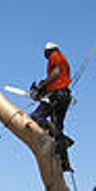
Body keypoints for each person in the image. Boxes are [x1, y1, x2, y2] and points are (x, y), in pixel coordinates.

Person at [30, 42, 74, 171]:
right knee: (58, 127)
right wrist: (42, 90)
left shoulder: (55, 56)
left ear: (48, 51)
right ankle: (65, 163)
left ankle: (59, 135)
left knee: (36, 116)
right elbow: (56, 78)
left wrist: (40, 86)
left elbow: (55, 73)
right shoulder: (64, 60)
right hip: (64, 96)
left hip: (56, 95)